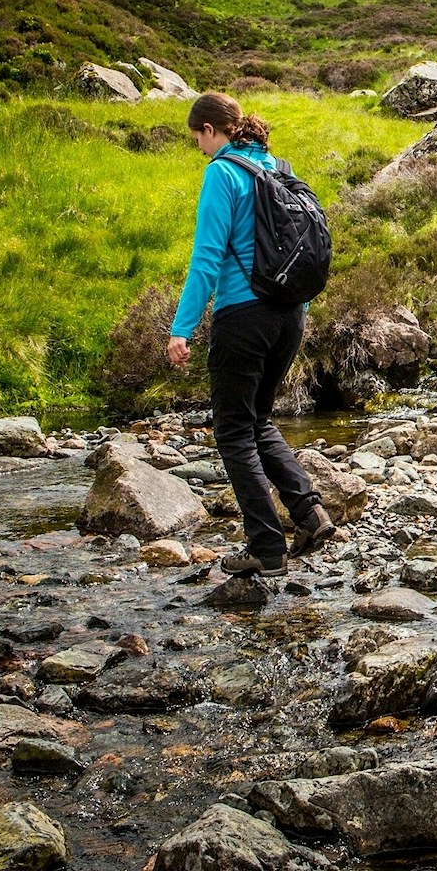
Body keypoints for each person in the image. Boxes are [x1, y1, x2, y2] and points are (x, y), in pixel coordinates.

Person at [167, 92, 335, 577]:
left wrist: (182, 329)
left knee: (234, 431)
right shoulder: (277, 167)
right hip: (290, 315)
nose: (199, 148)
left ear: (208, 131)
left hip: (244, 315)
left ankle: (266, 547)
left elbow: (206, 258)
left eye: (196, 138)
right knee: (258, 421)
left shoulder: (223, 173)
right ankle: (309, 514)